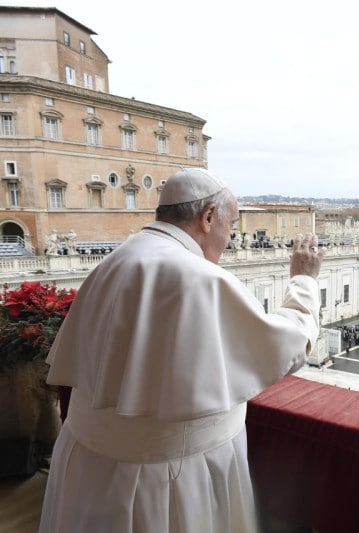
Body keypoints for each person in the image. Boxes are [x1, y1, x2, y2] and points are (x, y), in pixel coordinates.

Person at [39, 167, 324, 533]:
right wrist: (303, 281)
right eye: (230, 226)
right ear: (208, 217)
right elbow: (289, 344)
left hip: (88, 467)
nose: (229, 239)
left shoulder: (111, 262)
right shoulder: (201, 278)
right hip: (170, 479)